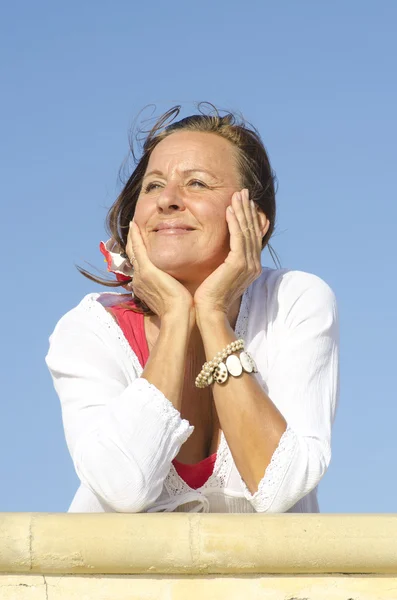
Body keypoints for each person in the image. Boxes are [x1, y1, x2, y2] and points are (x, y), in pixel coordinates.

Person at [45, 105, 339, 513]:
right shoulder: (88, 329)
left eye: (197, 183)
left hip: (264, 579)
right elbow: (121, 488)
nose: (167, 200)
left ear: (255, 220)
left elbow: (281, 487)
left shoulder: (295, 301)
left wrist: (213, 312)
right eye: (152, 186)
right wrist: (177, 317)